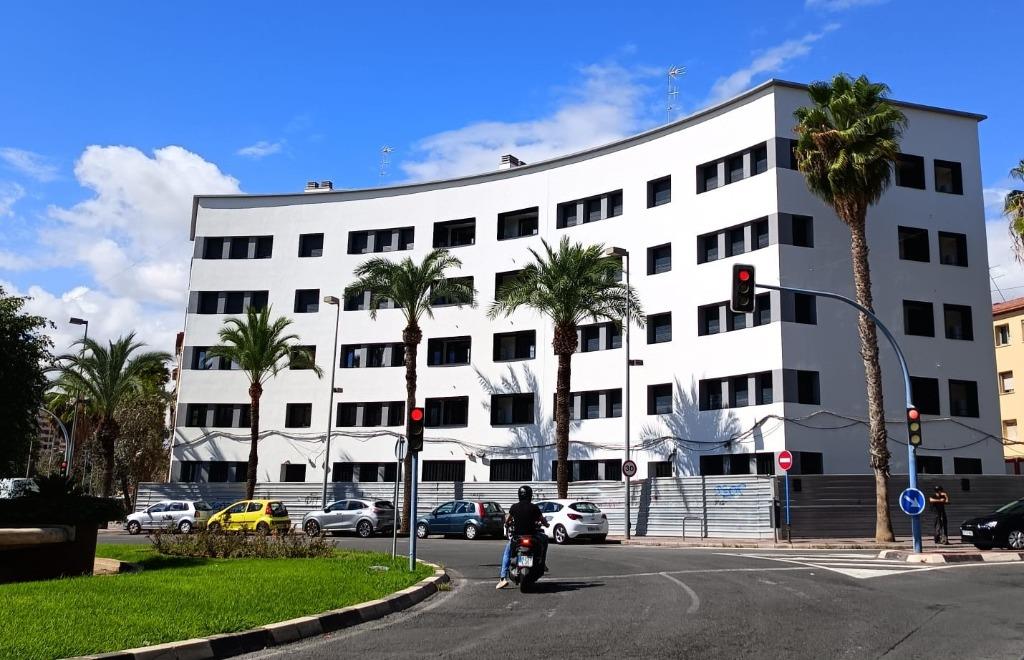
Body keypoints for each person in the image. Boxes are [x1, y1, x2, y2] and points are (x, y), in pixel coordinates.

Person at [496, 485, 548, 589]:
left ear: (519, 495)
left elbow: (508, 520)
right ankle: (542, 562)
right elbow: (542, 520)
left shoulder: (514, 507)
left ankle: (503, 578)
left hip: (517, 538)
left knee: (507, 553)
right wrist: (546, 524)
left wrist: (507, 524)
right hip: (532, 536)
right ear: (530, 495)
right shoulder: (534, 507)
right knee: (545, 539)